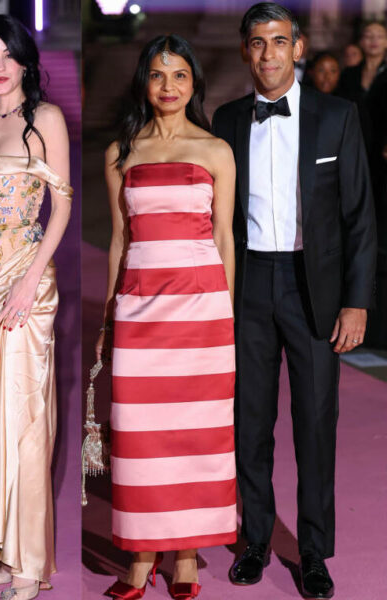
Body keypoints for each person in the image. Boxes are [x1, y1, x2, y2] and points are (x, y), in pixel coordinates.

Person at [212, 3, 376, 599]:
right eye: (257, 42)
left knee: (315, 423)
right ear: (245, 50)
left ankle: (312, 551)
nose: (268, 54)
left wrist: (356, 302)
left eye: (279, 41)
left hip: (316, 289)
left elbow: (360, 218)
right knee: (251, 421)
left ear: (298, 47)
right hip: (250, 283)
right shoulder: (228, 119)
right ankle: (255, 537)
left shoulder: (338, 116)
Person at [96, 34, 237, 600]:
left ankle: (186, 556)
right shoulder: (120, 152)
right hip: (140, 310)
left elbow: (224, 237)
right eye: (158, 74)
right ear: (144, 82)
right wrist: (109, 316)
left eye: (179, 75)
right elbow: (118, 240)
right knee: (139, 436)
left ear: (193, 82)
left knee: (196, 435)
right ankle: (140, 555)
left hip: (202, 312)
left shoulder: (216, 150)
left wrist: (227, 315)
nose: (169, 86)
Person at [0, 15, 72, 600]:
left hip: (25, 283)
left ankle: (28, 563)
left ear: (25, 61)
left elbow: (61, 207)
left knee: (24, 419)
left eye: (8, 55)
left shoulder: (45, 119)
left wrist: (28, 284)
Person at [336, 21, 387, 154]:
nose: (374, 40)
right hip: (352, 143)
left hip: (382, 146)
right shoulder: (348, 74)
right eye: (369, 36)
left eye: (380, 36)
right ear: (361, 42)